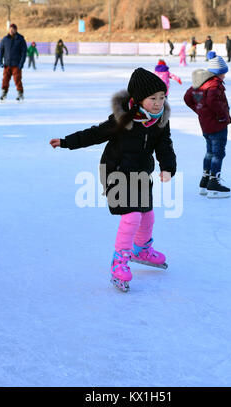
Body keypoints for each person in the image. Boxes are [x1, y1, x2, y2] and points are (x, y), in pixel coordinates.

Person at [49, 68, 177, 292]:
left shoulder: (160, 122)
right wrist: (66, 141)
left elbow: (165, 146)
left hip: (140, 174)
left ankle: (141, 250)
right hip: (116, 172)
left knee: (147, 214)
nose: (158, 103)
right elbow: (95, 134)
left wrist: (168, 167)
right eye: (152, 98)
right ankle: (119, 261)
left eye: (162, 97)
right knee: (132, 216)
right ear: (138, 99)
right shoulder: (123, 119)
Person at [183, 51, 231, 198]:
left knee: (210, 152)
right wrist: (222, 116)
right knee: (218, 153)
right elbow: (212, 101)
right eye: (223, 73)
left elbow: (187, 98)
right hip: (217, 125)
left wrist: (200, 110)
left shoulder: (200, 83)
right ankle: (213, 183)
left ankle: (204, 182)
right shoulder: (214, 84)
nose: (224, 76)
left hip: (206, 125)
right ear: (217, 73)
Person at [0, 23, 27, 101]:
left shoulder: (20, 39)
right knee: (5, 79)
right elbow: (1, 51)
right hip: (7, 64)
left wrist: (21, 64)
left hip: (16, 65)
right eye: (10, 29)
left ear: (16, 30)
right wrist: (0, 60)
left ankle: (20, 93)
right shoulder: (5, 39)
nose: (11, 30)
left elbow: (24, 53)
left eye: (13, 29)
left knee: (17, 79)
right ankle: (4, 93)